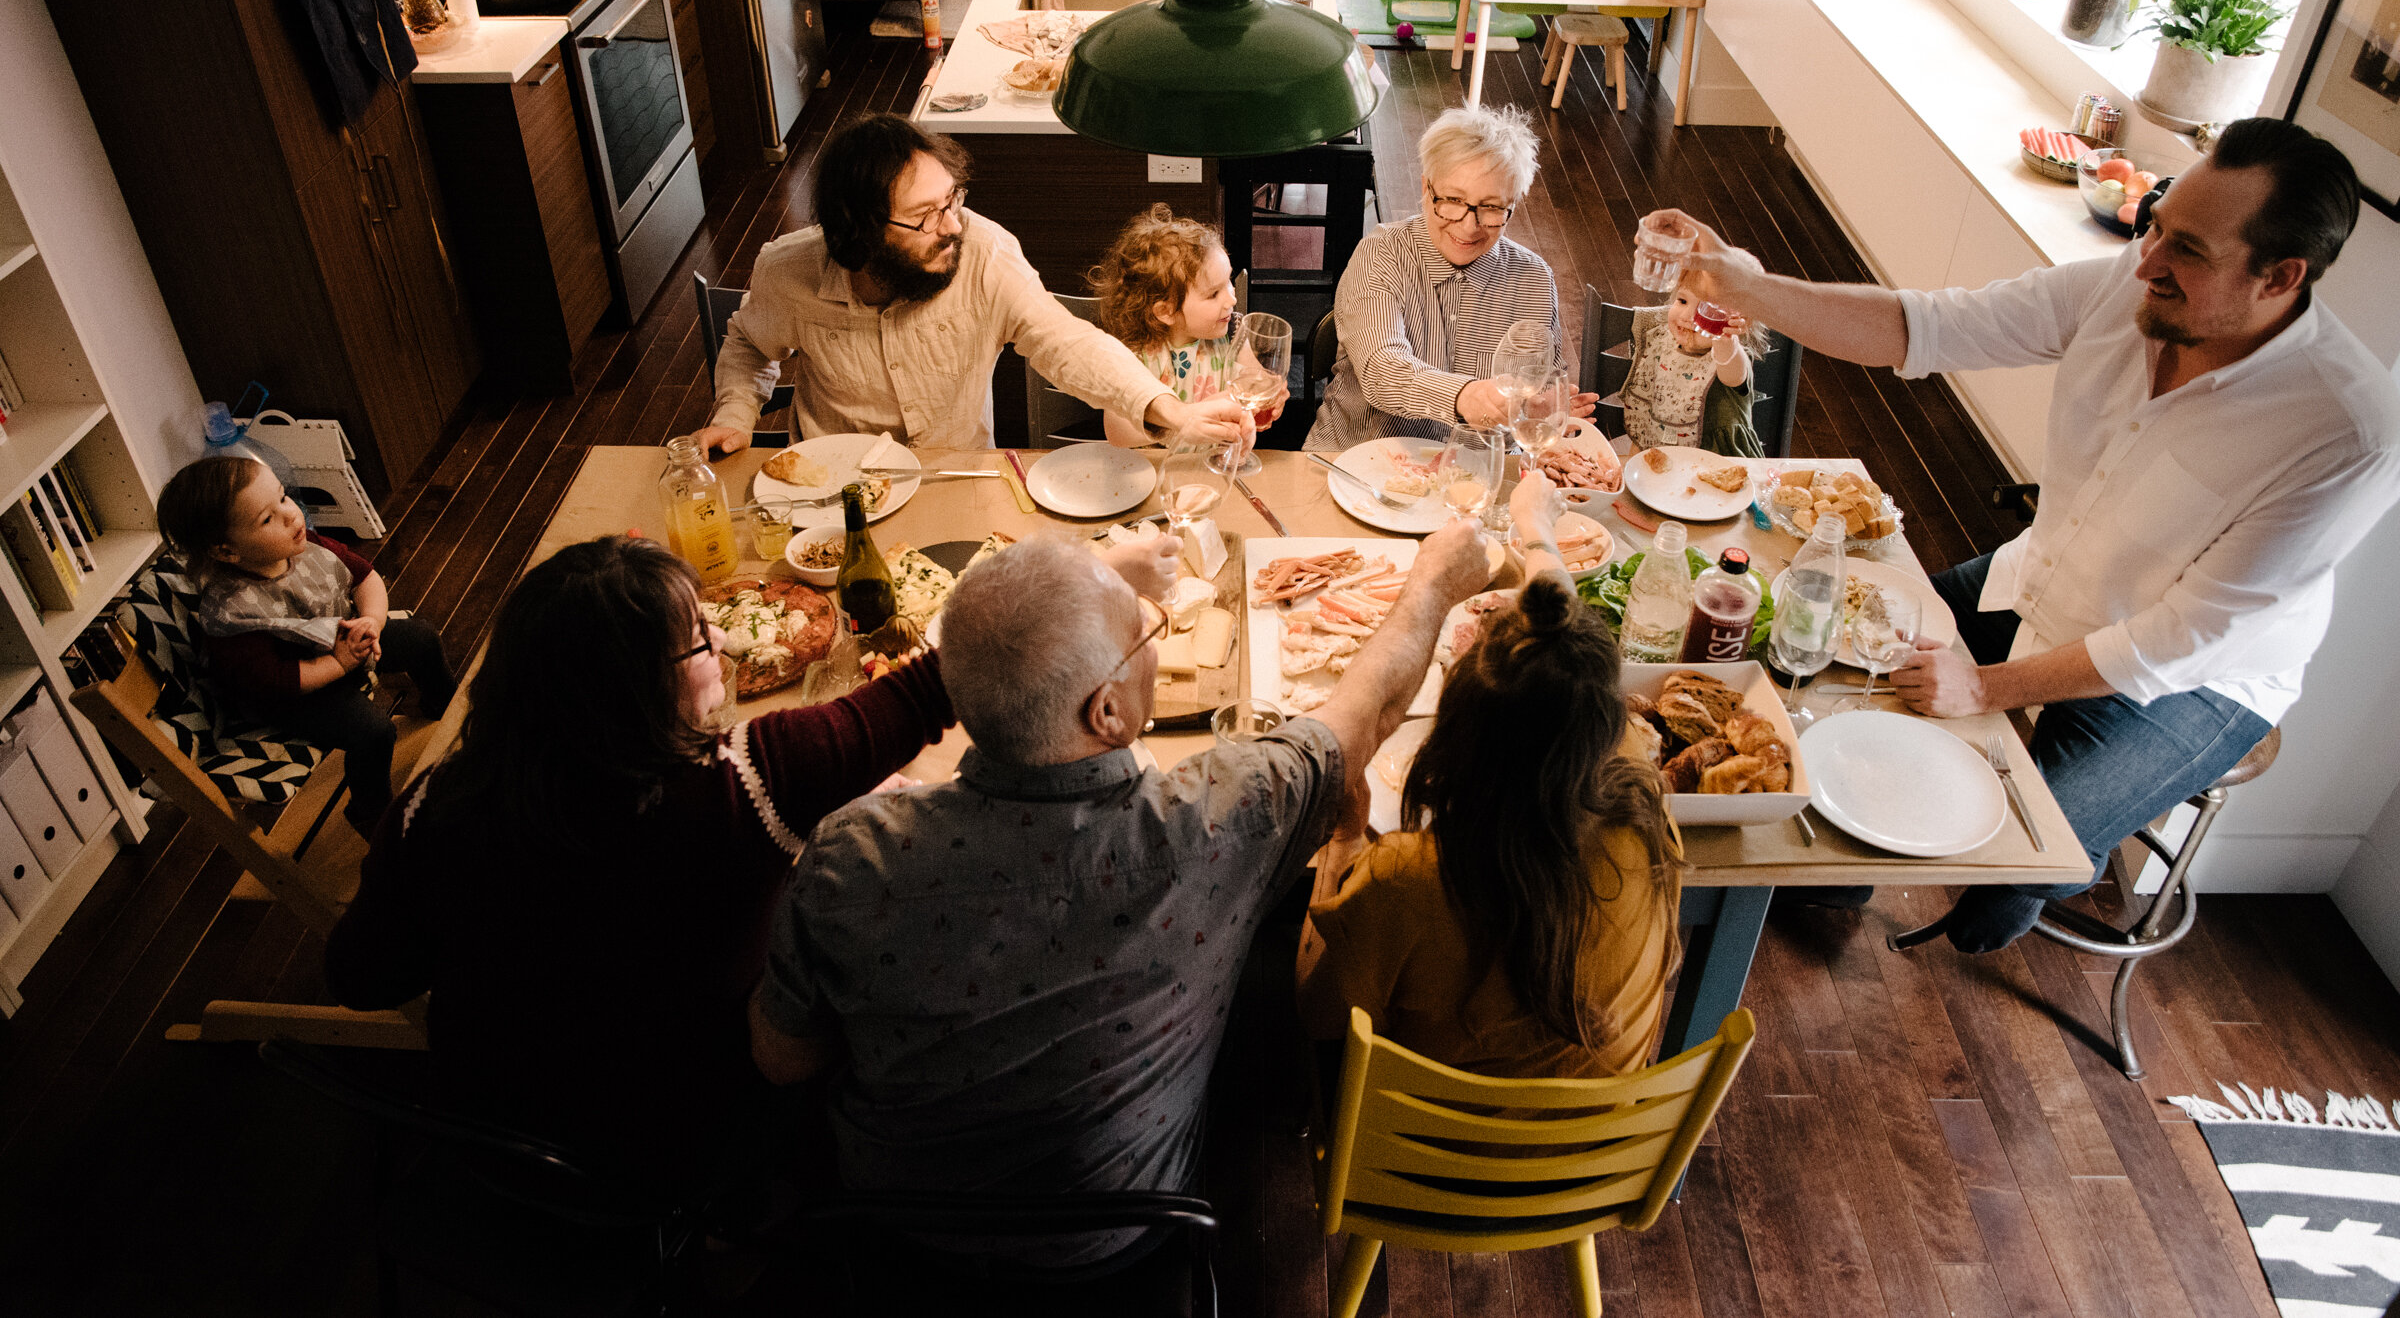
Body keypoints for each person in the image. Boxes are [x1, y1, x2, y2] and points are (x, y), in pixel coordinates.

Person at [1667, 116, 2400, 952]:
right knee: (1824, 650)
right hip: (2045, 574)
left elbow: (2179, 637)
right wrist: (1746, 288)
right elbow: (1923, 327)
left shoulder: (2347, 432)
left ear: (2281, 276)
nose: (2147, 260)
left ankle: (1995, 912)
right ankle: (1837, 879)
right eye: (2155, 222)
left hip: (2192, 678)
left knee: (2019, 856)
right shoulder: (2126, 281)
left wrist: (1984, 689)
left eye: (2187, 250)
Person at [749, 522, 1491, 1278]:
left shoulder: (848, 852)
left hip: (893, 1239)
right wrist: (1432, 581)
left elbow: (784, 1059)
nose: (1155, 645)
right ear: (1105, 712)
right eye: (1147, 636)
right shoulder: (1218, 817)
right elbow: (1369, 714)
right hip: (1119, 1240)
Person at [323, 536, 957, 1188]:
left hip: (492, 1138)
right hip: (684, 1143)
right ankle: (726, 1244)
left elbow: (361, 980)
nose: (717, 639)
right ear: (639, 690)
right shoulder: (746, 782)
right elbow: (935, 682)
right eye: (699, 640)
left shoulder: (431, 807)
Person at [1298, 473, 1685, 1078]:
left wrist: (1343, 843)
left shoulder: (1407, 877)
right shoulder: (1642, 807)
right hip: (1597, 1166)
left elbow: (1313, 1017)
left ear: (1458, 740)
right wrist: (1536, 530)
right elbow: (1574, 664)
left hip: (1421, 1164)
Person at [692, 115, 1253, 455]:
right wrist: (734, 415)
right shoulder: (786, 270)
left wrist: (1172, 413)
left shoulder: (985, 251)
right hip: (831, 494)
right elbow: (747, 344)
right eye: (926, 216)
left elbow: (1066, 342)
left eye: (952, 201)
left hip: (958, 481)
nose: (954, 226)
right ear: (859, 231)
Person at [157, 456, 453, 836]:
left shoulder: (305, 545)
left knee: (422, 637)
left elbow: (365, 577)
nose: (290, 514)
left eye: (282, 497)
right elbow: (276, 681)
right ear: (227, 552)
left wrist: (372, 622)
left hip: (343, 643)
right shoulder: (234, 611)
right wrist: (340, 664)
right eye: (267, 518)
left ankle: (444, 705)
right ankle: (371, 812)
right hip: (295, 694)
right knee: (373, 733)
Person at [1307, 104, 1598, 451]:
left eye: (1491, 207)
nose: (1468, 225)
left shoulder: (1533, 277)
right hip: (1355, 464)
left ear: (1513, 206)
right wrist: (1466, 396)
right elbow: (1382, 372)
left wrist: (1541, 408)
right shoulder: (1381, 253)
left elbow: (1540, 393)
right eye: (1453, 200)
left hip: (1477, 478)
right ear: (1426, 188)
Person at [1087, 202, 1289, 446]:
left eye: (1228, 281)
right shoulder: (1138, 353)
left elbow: (1255, 382)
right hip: (1159, 471)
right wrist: (1193, 413)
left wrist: (1271, 395)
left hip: (1214, 467)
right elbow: (1118, 434)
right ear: (1166, 311)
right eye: (1213, 293)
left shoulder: (1233, 334)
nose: (1232, 298)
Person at [1621, 270, 1768, 458]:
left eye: (1708, 309)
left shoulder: (1730, 355)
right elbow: (1645, 434)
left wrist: (1725, 341)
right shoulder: (1660, 340)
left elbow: (1734, 375)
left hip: (1724, 467)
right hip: (1665, 466)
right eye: (1682, 301)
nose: (1687, 316)